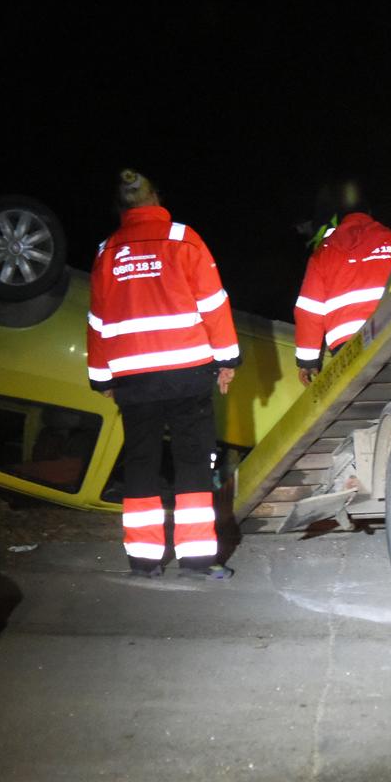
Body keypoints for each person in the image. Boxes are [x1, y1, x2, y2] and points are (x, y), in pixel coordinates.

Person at [87, 169, 240, 580]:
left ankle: (143, 560)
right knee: (193, 462)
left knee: (140, 464)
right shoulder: (184, 240)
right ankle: (197, 560)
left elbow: (98, 320)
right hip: (188, 371)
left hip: (134, 380)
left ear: (121, 206)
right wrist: (226, 361)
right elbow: (213, 303)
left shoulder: (108, 251)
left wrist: (102, 377)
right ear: (156, 197)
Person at [294, 180, 391, 384]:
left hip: (349, 349)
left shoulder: (323, 254)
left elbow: (309, 311)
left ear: (338, 220)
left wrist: (308, 362)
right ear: (369, 213)